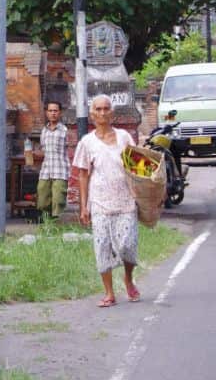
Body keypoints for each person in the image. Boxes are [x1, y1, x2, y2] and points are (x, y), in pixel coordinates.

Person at [72, 94, 141, 307]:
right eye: (98, 109)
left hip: (126, 201)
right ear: (92, 114)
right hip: (100, 202)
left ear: (112, 113)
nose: (102, 113)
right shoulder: (87, 142)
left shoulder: (124, 137)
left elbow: (138, 167)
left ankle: (128, 278)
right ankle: (109, 293)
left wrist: (149, 193)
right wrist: (84, 207)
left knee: (127, 245)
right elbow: (83, 175)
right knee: (102, 247)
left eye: (106, 109)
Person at [36, 100, 69, 223]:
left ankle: (57, 226)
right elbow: (43, 149)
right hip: (46, 171)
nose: (53, 113)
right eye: (50, 111)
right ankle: (46, 224)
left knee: (58, 200)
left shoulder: (64, 131)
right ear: (46, 113)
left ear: (60, 113)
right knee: (42, 198)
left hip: (61, 171)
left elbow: (70, 150)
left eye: (55, 111)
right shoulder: (44, 131)